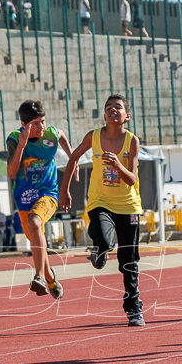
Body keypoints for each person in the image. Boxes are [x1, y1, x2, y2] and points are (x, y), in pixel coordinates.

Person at [62, 94, 146, 327]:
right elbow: (74, 158)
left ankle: (133, 308)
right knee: (101, 231)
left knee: (128, 261)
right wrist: (64, 190)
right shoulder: (94, 137)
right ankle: (100, 248)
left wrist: (118, 164)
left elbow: (131, 180)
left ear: (126, 116)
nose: (112, 110)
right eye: (108, 107)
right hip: (101, 201)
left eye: (117, 107)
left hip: (128, 205)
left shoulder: (132, 141)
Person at [6, 99, 73, 299]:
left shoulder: (50, 134)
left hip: (48, 193)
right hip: (25, 198)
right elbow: (11, 173)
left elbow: (61, 134)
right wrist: (22, 144)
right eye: (36, 124)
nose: (41, 127)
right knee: (37, 240)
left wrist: (72, 158)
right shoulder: (14, 139)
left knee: (35, 223)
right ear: (24, 124)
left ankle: (38, 277)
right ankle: (50, 277)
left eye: (43, 121)